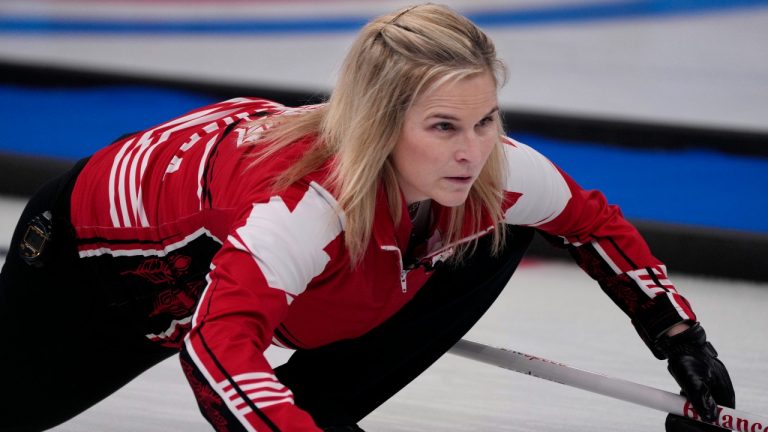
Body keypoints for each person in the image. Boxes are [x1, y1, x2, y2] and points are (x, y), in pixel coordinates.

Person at [0, 4, 735, 432]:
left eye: (485, 120)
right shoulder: (299, 206)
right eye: (444, 127)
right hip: (94, 271)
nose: (474, 149)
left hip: (245, 271)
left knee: (494, 230)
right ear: (380, 124)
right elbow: (217, 355)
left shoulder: (489, 168)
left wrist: (678, 337)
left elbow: (592, 223)